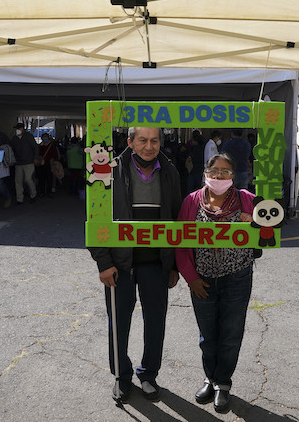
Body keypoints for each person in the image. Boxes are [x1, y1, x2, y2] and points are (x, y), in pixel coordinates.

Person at [88, 127, 182, 403]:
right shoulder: (107, 172)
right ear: (130, 142)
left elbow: (177, 218)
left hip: (156, 263)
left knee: (155, 322)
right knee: (119, 323)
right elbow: (95, 219)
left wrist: (173, 263)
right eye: (142, 140)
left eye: (154, 141)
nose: (149, 146)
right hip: (119, 265)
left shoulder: (170, 172)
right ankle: (122, 376)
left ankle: (149, 374)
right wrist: (103, 263)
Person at [175, 153, 256, 413]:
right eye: (214, 170)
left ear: (233, 175)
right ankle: (209, 379)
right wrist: (192, 278)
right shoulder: (191, 201)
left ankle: (223, 384)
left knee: (231, 334)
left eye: (225, 171)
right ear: (206, 173)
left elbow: (270, 227)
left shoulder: (247, 200)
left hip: (237, 277)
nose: (219, 175)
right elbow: (181, 242)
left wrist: (256, 222)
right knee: (207, 336)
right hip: (203, 280)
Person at [10, 122, 39, 204]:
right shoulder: (14, 138)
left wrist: (35, 158)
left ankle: (33, 195)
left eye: (18, 129)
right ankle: (19, 198)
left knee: (28, 179)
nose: (17, 130)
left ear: (22, 129)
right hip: (18, 163)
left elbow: (35, 147)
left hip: (28, 162)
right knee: (18, 181)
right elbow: (12, 149)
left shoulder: (28, 136)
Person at [36, 132, 61, 198]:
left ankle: (49, 191)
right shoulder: (40, 146)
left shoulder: (52, 145)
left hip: (50, 164)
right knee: (42, 178)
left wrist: (55, 162)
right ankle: (42, 192)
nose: (44, 139)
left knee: (49, 178)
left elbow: (56, 155)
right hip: (41, 164)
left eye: (45, 138)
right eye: (43, 138)